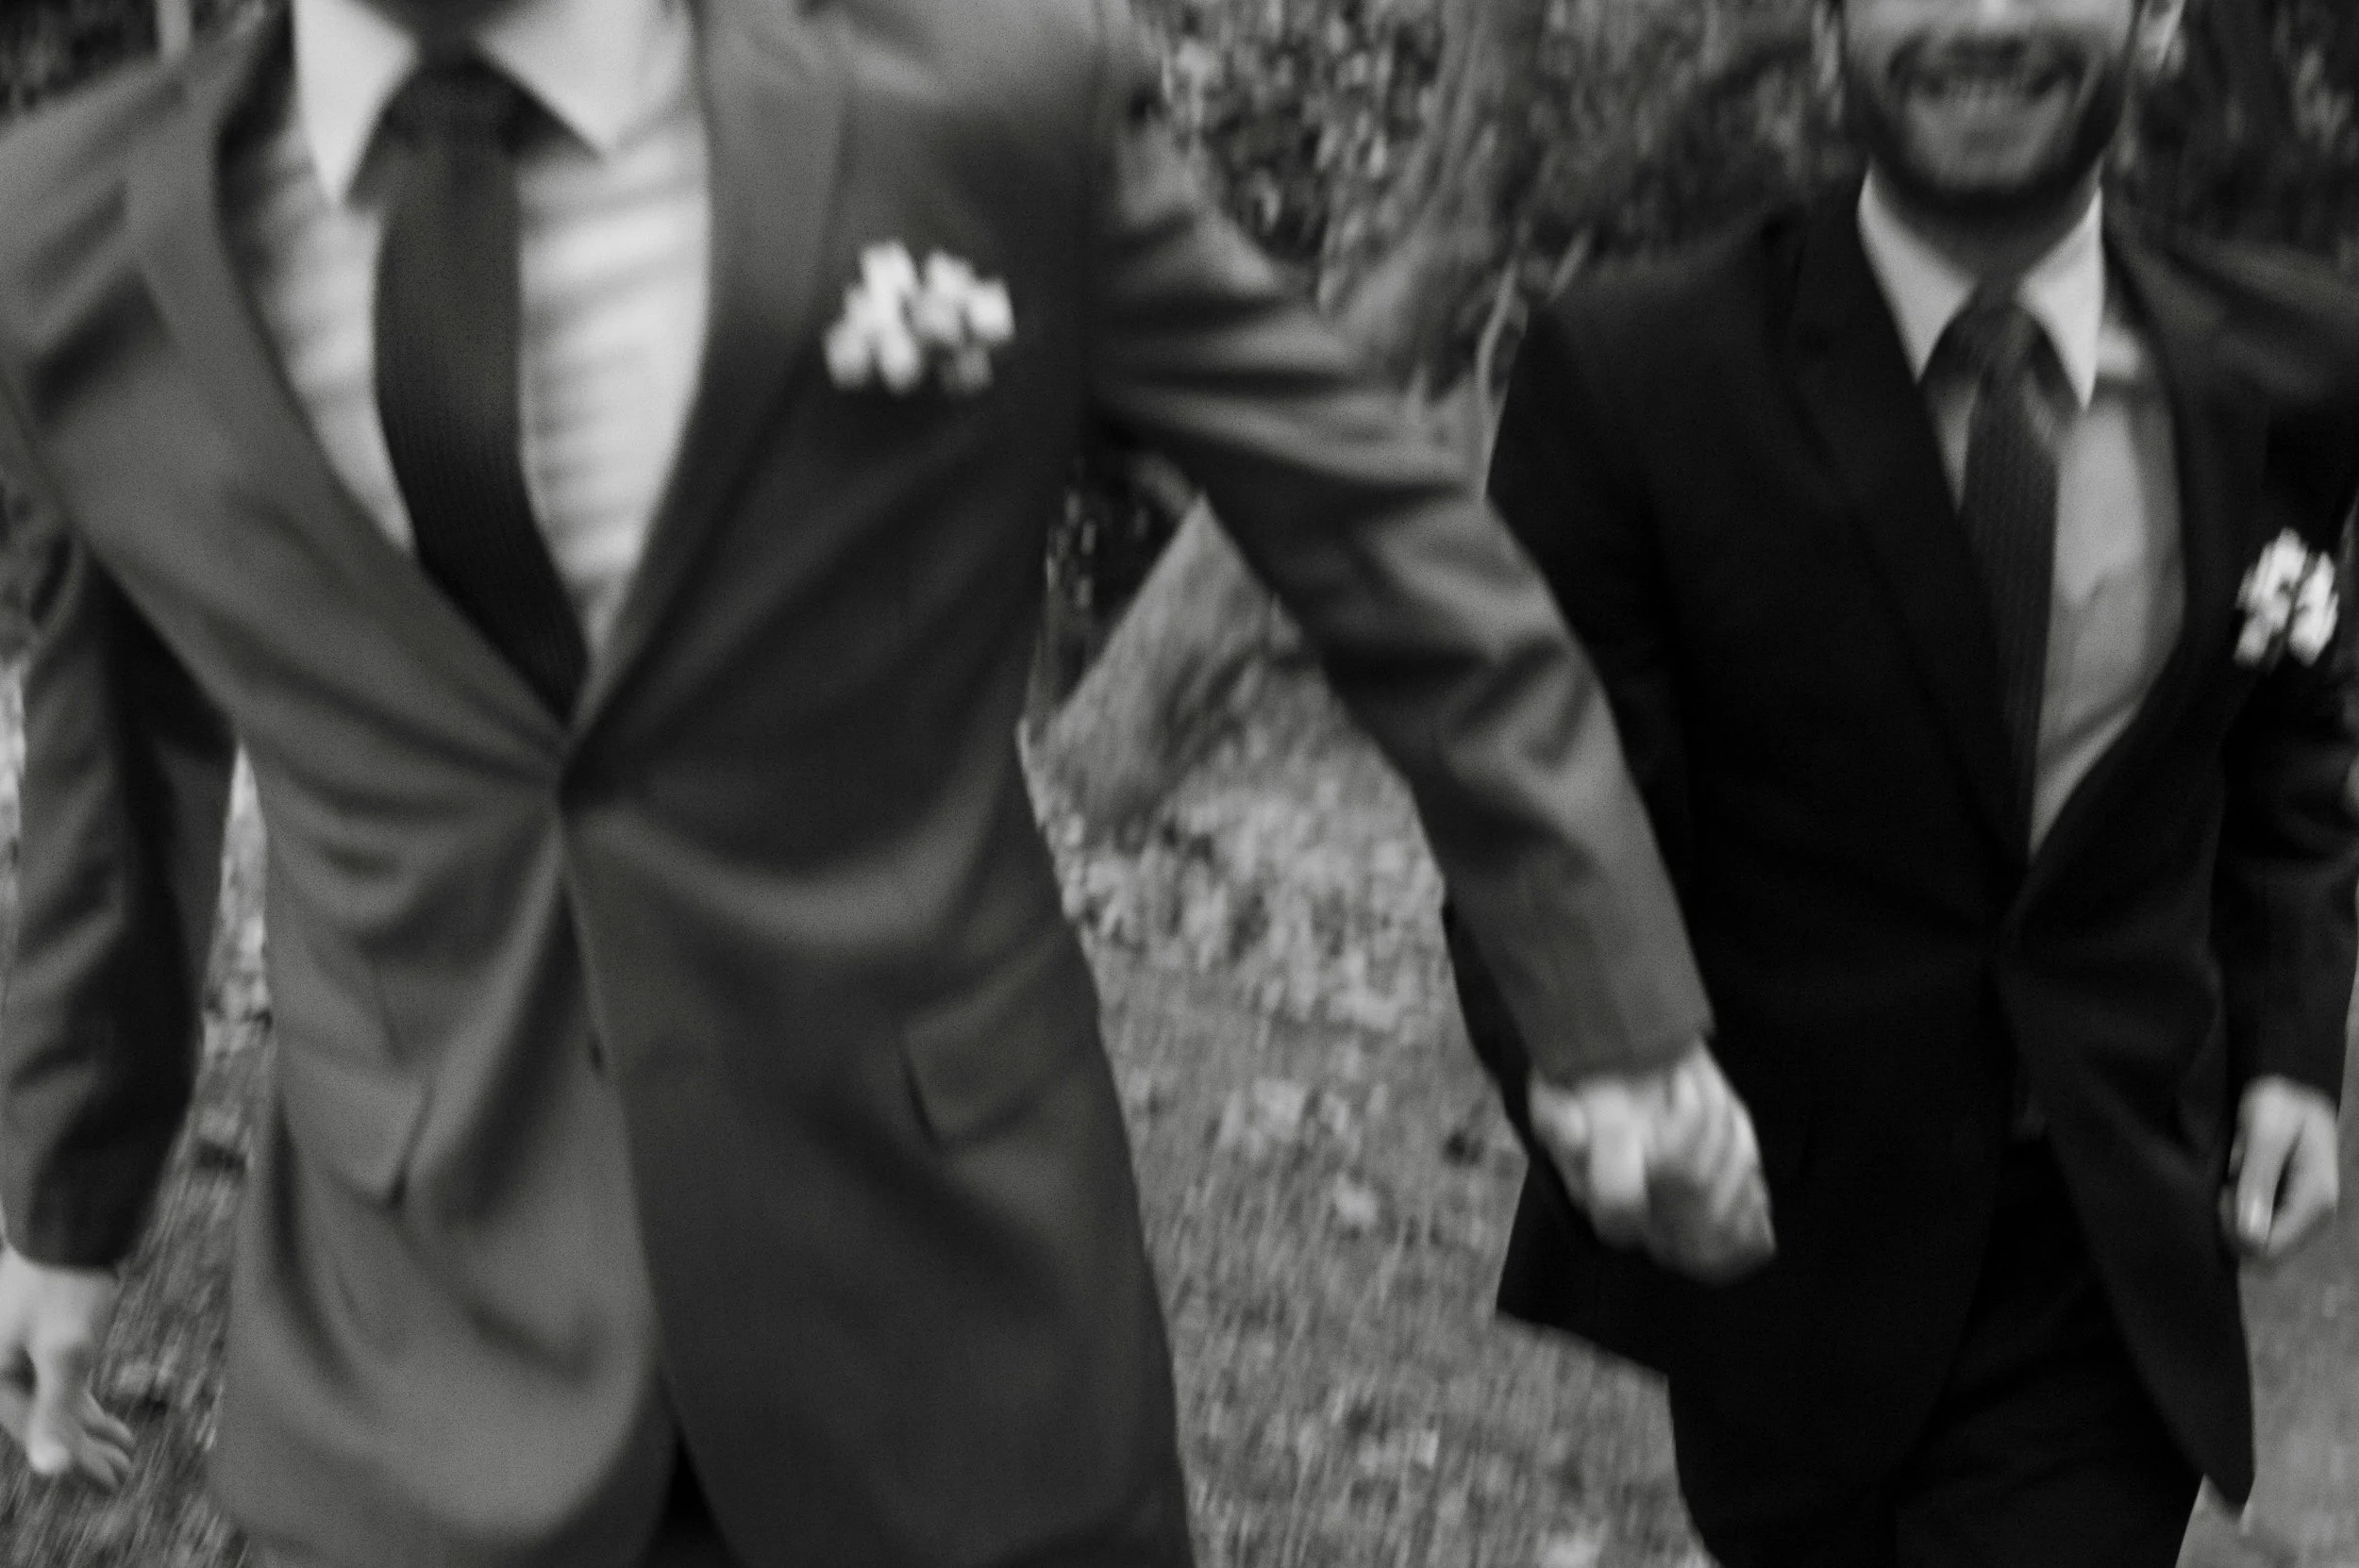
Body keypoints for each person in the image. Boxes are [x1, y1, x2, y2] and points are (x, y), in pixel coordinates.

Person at [0, 0, 1773, 1562]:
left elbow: (1385, 546)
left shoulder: (983, 112)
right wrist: (65, 1198)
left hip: (949, 1326)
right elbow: (115, 730)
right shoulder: (69, 239)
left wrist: (1608, 1011)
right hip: (421, 1353)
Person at [1449, 0, 2355, 1562]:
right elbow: (1545, 810)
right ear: (1829, 24)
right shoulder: (1635, 375)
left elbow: (2277, 730)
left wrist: (2289, 1046)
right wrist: (1597, 1069)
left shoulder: (2293, 368)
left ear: (2151, 25)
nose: (1986, 18)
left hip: (2101, 1243)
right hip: (1782, 1248)